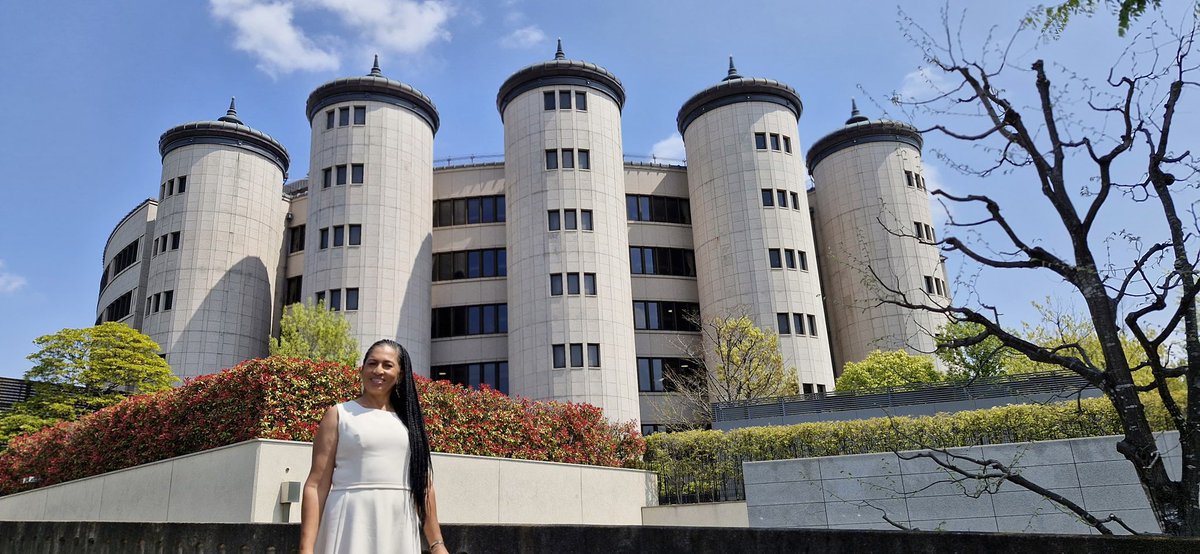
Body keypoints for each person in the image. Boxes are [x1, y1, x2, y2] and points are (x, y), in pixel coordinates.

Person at [299, 339, 448, 554]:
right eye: (372, 363)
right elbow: (316, 486)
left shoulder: (411, 423)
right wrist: (306, 548)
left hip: (399, 525)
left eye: (387, 365)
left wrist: (437, 544)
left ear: (401, 374)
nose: (378, 370)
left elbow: (424, 486)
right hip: (348, 523)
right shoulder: (339, 414)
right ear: (362, 370)